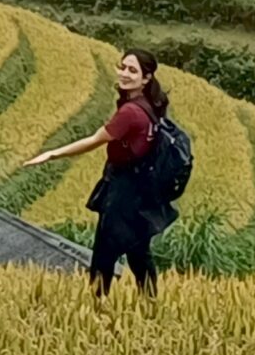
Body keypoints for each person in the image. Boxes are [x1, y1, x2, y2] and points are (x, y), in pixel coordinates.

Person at [25, 48, 176, 299]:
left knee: (105, 252)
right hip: (143, 188)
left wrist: (51, 154)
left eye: (133, 70)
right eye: (122, 67)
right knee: (138, 250)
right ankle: (151, 302)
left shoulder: (130, 112)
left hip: (124, 189)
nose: (124, 73)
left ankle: (97, 307)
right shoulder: (150, 105)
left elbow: (94, 141)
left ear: (146, 78)